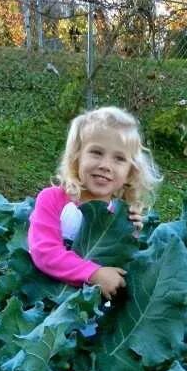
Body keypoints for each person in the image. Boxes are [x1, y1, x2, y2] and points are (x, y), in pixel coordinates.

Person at [27, 106, 161, 299]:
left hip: (93, 317)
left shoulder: (121, 215)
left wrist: (132, 235)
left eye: (119, 159)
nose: (105, 165)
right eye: (96, 153)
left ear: (130, 173)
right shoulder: (53, 199)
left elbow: (122, 269)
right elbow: (43, 252)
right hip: (45, 303)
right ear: (76, 157)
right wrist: (93, 274)